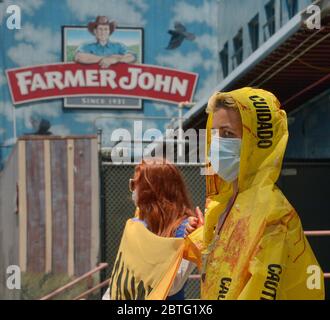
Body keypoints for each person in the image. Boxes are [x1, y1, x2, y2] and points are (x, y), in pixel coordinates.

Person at [187, 87, 325, 300]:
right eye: (214, 134)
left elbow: (261, 288)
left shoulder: (272, 215)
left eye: (228, 134)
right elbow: (227, 259)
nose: (217, 143)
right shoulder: (226, 203)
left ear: (256, 142)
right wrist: (202, 236)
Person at [103, 158, 203, 300]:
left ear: (151, 191)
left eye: (135, 185)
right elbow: (122, 273)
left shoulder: (186, 229)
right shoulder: (137, 223)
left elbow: (172, 285)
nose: (132, 191)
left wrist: (195, 240)